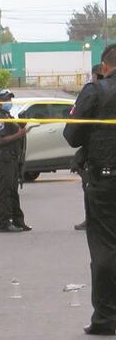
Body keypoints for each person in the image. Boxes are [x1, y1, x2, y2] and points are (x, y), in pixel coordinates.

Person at [64, 45, 116, 335]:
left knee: (105, 248)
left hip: (105, 182)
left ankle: (106, 318)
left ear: (104, 67)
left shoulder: (96, 92)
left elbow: (72, 135)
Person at [0, 89, 31, 233]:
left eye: (10, 99)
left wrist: (21, 125)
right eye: (6, 99)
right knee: (5, 192)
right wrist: (19, 134)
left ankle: (18, 221)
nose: (9, 102)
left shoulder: (7, 116)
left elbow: (14, 131)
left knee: (13, 191)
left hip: (12, 159)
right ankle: (4, 223)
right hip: (4, 159)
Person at [71, 63, 105, 231]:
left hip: (97, 154)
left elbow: (74, 131)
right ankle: (90, 218)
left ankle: (93, 219)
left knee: (92, 187)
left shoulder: (93, 92)